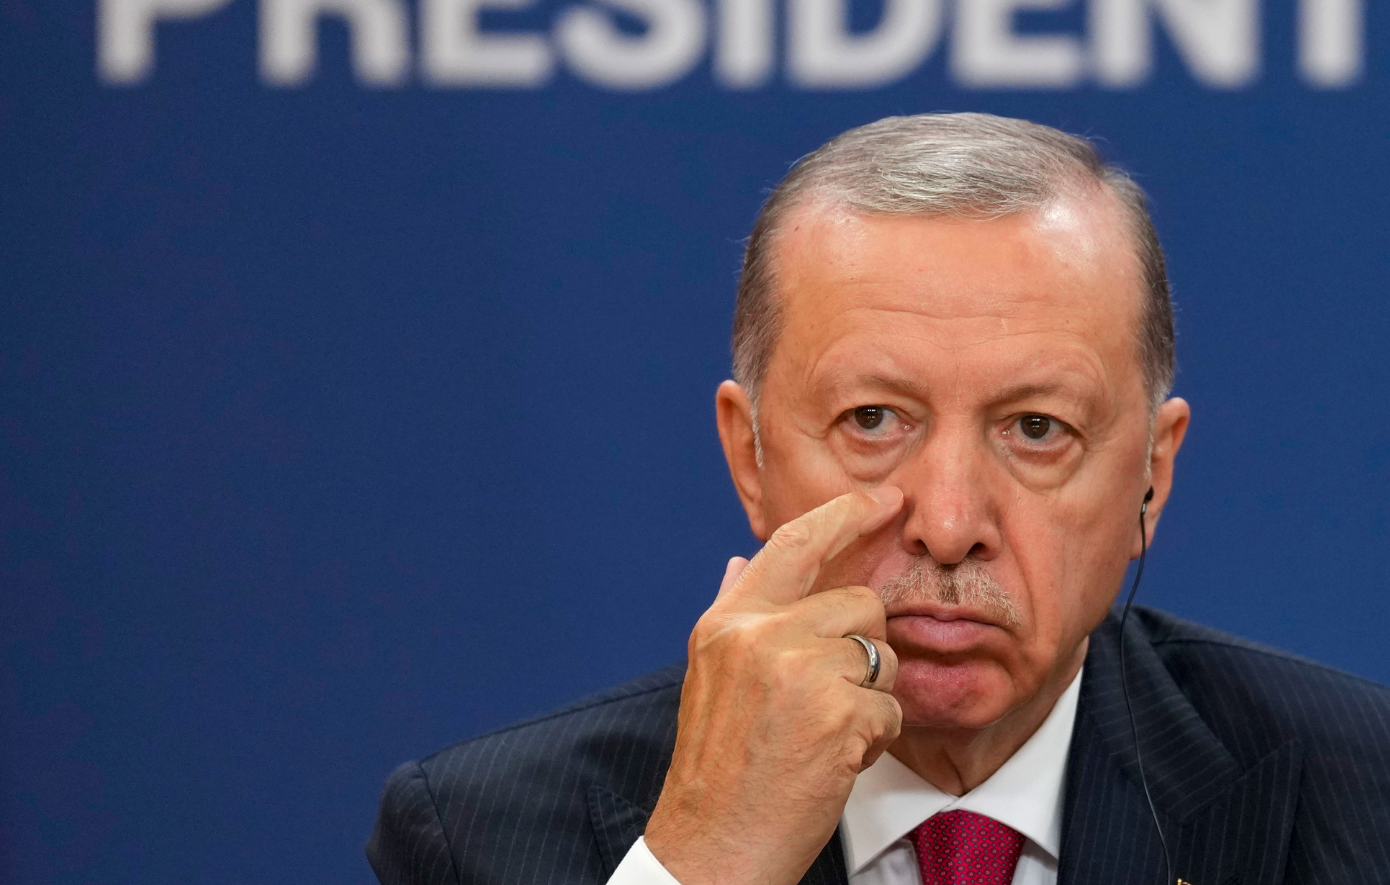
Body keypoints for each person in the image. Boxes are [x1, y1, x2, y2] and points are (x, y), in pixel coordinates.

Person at [366, 113, 1390, 885]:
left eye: (1037, 429)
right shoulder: (477, 839)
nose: (947, 526)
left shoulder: (1363, 797)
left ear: (1151, 477)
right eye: (872, 420)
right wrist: (702, 863)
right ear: (750, 456)